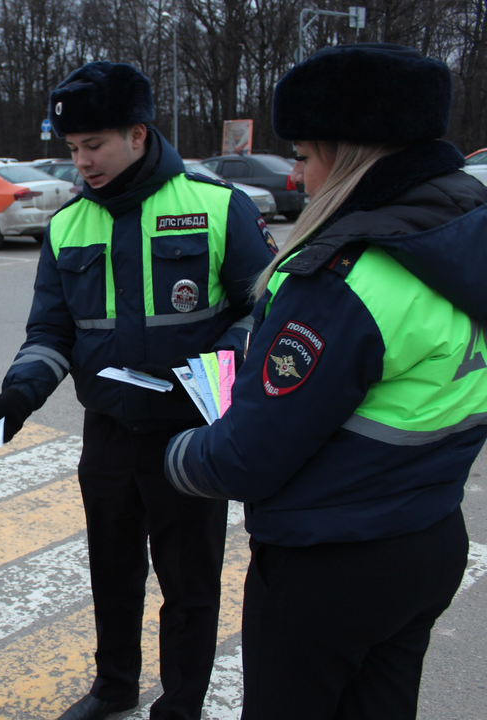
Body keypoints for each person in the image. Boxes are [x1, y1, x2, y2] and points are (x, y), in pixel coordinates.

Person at [164, 43, 487, 719]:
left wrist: (177, 455)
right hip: (429, 536)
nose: (300, 176)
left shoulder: (349, 277)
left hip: (330, 563)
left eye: (306, 156)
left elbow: (248, 459)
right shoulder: (462, 245)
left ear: (350, 157)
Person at [0, 61, 275, 720]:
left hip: (189, 431)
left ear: (138, 134)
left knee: (189, 582)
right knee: (113, 571)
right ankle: (114, 687)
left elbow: (265, 309)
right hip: (108, 434)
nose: (82, 162)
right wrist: (18, 396)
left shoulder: (218, 204)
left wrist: (224, 359)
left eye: (94, 145)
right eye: (73, 149)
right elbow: (51, 331)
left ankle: (182, 703)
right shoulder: (69, 225)